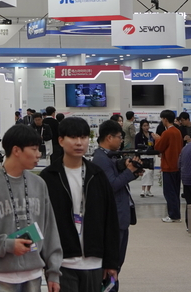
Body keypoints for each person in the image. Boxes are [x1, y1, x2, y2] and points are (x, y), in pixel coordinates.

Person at [0, 124, 62, 292]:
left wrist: (53, 272)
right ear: (16, 150)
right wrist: (7, 244)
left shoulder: (39, 184)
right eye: (34, 149)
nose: (38, 154)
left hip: (33, 276)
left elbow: (49, 230)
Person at [41, 117, 119, 292]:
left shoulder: (97, 175)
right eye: (73, 137)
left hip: (94, 261)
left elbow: (111, 220)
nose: (79, 142)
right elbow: (42, 221)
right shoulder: (49, 177)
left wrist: (112, 262)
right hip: (62, 261)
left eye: (83, 137)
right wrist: (47, 263)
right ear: (61, 140)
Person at [92, 120, 139, 290]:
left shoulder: (108, 156)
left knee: (117, 262)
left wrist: (132, 172)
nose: (121, 140)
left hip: (120, 218)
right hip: (115, 220)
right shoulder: (100, 159)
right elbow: (111, 185)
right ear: (109, 137)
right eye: (119, 137)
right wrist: (129, 172)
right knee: (112, 264)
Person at [152, 110, 183, 223]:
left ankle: (173, 215)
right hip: (177, 165)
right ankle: (176, 214)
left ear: (165, 119)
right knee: (175, 191)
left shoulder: (167, 133)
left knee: (169, 192)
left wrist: (157, 139)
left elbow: (159, 147)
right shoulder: (178, 131)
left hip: (168, 165)